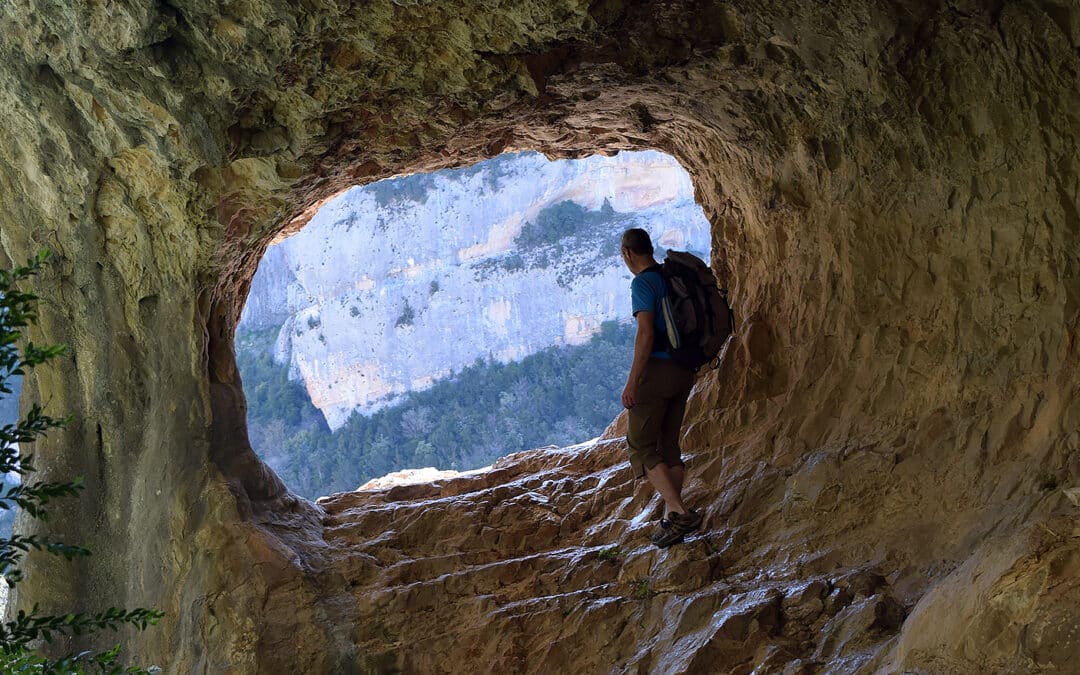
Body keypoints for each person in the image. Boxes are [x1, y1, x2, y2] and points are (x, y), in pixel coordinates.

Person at [619, 228, 702, 548]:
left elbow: (646, 335)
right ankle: (672, 519)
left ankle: (681, 510)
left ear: (627, 253)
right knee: (669, 446)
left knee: (640, 446)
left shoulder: (643, 283)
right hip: (685, 369)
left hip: (658, 371)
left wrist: (633, 381)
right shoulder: (671, 275)